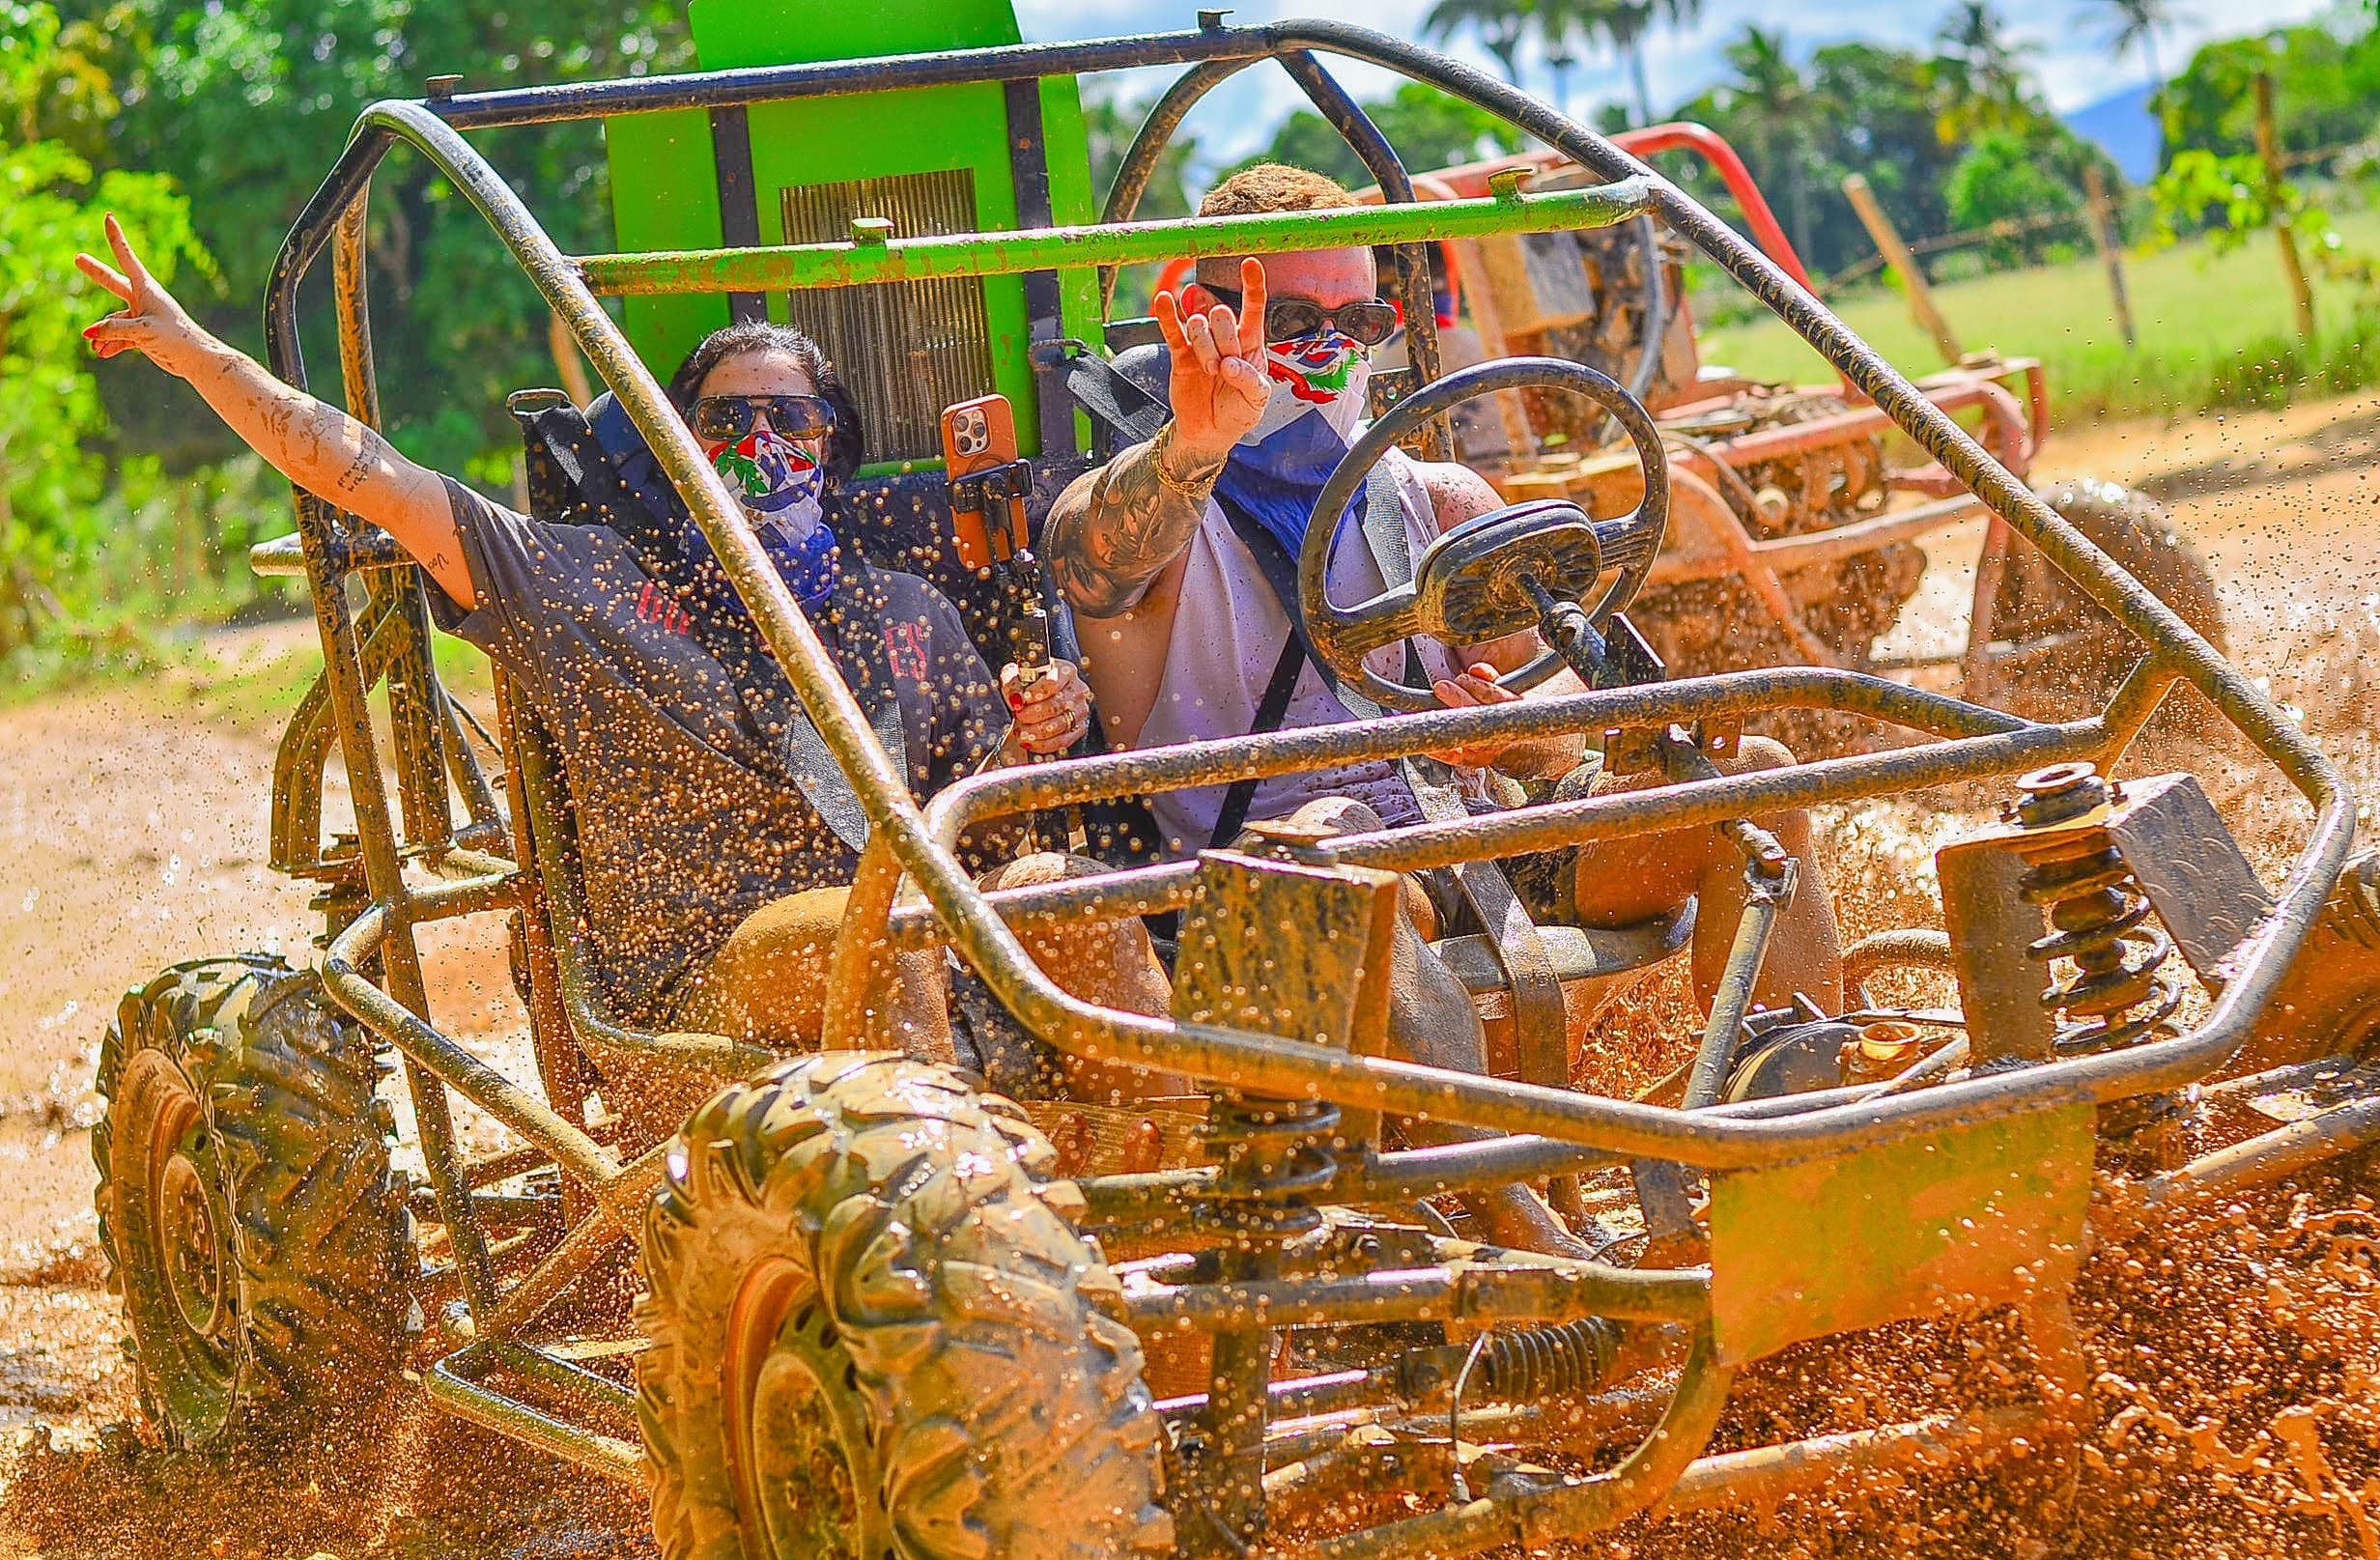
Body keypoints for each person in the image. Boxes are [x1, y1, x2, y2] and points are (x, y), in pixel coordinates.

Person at [76, 215, 1181, 1136]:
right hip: (688, 1006)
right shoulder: (587, 582)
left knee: (1059, 891)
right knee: (880, 930)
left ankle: (1185, 1248)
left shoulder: (906, 615)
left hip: (913, 966)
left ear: (832, 444)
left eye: (786, 417)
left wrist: (1030, 743)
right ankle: (953, 1274)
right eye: (724, 420)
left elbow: (976, 841)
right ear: (681, 448)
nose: (759, 439)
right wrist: (193, 355)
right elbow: (366, 475)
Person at [1042, 164, 1845, 1253]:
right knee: (1341, 857)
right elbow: (1093, 563)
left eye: (1357, 317)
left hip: (1475, 842)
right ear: (1208, 314)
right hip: (1271, 889)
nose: (1330, 347)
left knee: (1751, 771)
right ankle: (1524, 1236)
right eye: (1292, 318)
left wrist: (1507, 717)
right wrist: (1195, 441)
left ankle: (1795, 1158)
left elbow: (1555, 687)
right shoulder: (1155, 519)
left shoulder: (1434, 500)